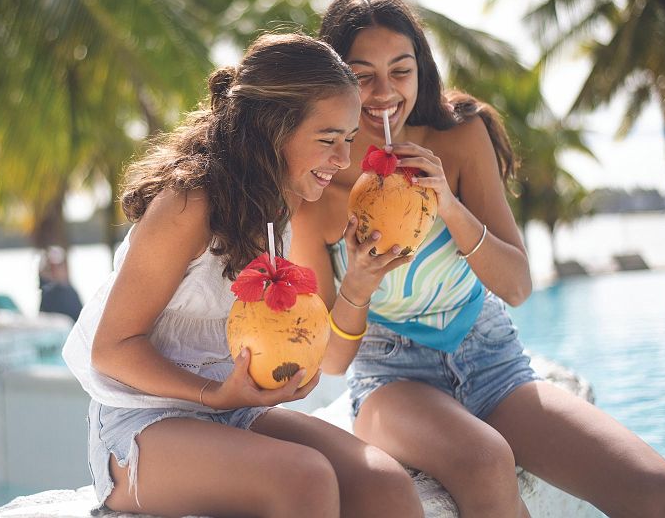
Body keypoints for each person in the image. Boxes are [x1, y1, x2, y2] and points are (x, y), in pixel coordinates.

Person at [290, 0, 665, 518]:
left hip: (491, 360)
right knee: (483, 459)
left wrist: (450, 206)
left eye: (401, 71)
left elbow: (518, 286)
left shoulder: (460, 137)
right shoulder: (315, 185)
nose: (384, 92)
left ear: (422, 69)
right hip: (391, 379)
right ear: (335, 82)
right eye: (362, 75)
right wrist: (359, 280)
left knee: (662, 495)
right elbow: (332, 361)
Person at [63, 33, 424, 517]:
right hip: (140, 424)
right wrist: (214, 393)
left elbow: (331, 358)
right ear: (273, 130)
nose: (342, 160)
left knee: (384, 483)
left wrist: (359, 278)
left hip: (230, 411)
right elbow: (111, 349)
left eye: (348, 140)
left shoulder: (279, 208)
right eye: (327, 140)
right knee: (306, 479)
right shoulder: (188, 203)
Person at [38, 246, 83, 319]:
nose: (55, 270)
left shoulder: (71, 293)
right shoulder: (47, 294)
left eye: (58, 266)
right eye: (51, 267)